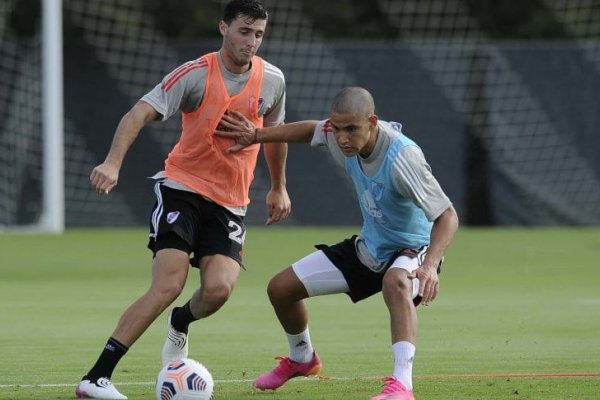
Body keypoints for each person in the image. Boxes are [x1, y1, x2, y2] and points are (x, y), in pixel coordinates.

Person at [76, 1, 291, 399]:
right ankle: (96, 377)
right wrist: (112, 163)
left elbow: (275, 136)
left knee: (219, 290)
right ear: (223, 27)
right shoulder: (196, 74)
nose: (252, 41)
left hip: (230, 202)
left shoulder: (273, 80)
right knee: (168, 283)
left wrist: (278, 186)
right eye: (244, 31)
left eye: (259, 34)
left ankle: (181, 322)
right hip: (183, 187)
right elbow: (138, 113)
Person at [215, 86, 459, 400]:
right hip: (372, 247)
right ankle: (302, 358)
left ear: (372, 122)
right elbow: (311, 130)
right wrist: (258, 135)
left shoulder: (402, 157)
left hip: (415, 248)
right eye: (337, 128)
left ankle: (402, 386)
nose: (342, 137)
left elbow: (448, 216)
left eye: (352, 129)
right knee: (281, 289)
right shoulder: (336, 133)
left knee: (396, 281)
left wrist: (429, 267)